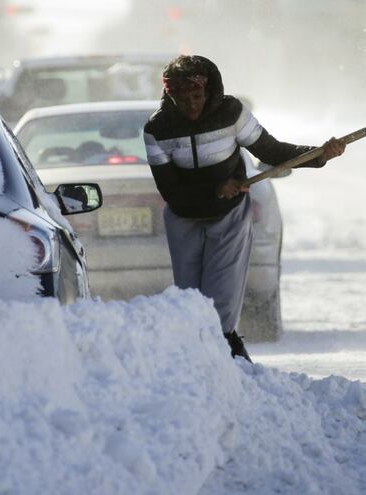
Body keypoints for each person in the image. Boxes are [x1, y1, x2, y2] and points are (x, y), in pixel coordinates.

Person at [143, 55, 345, 362]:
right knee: (190, 298)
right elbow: (172, 192)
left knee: (221, 297)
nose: (190, 105)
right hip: (183, 217)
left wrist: (319, 154)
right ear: (169, 95)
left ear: (208, 91)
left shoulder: (231, 113)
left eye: (195, 96)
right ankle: (194, 361)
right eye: (180, 98)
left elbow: (273, 151)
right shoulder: (157, 129)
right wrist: (217, 188)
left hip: (229, 215)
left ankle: (228, 358)